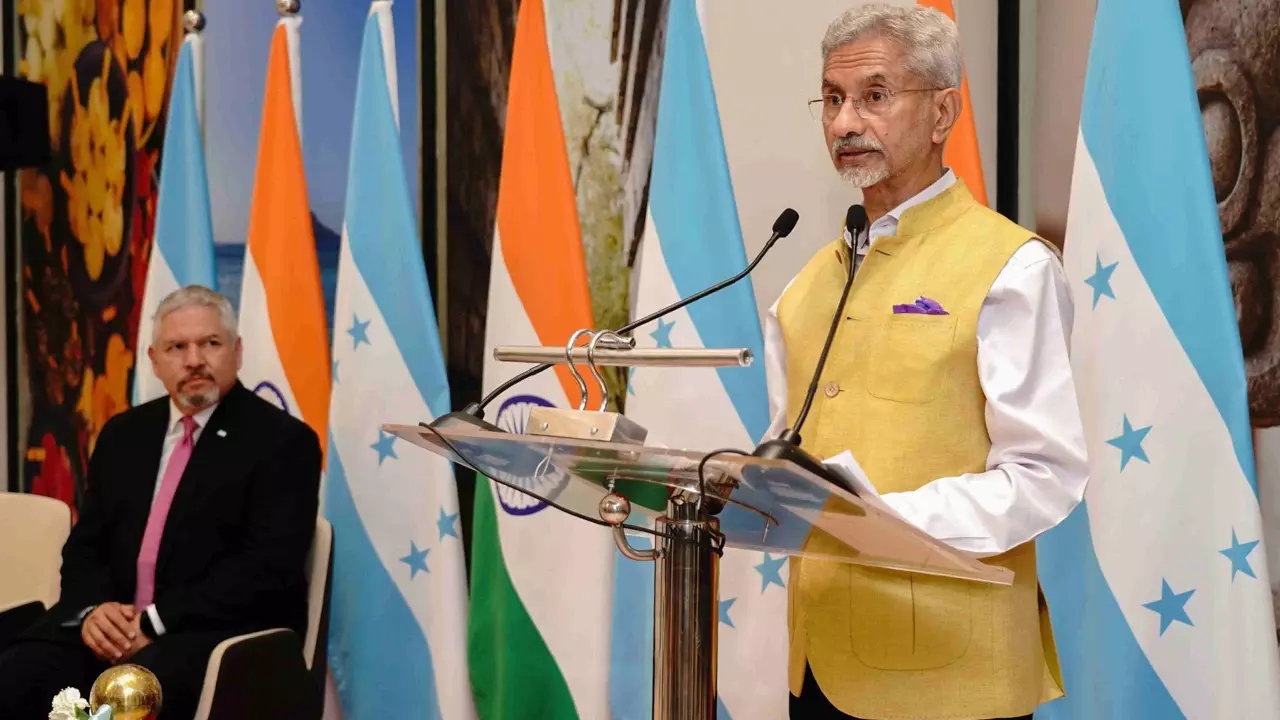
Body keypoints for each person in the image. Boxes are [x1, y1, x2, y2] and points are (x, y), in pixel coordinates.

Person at [766, 5, 1088, 719]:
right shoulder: (801, 288)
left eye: (876, 96)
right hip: (817, 674)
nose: (846, 122)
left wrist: (879, 517)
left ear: (943, 113)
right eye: (833, 98)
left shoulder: (1011, 267)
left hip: (951, 678)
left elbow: (1044, 476)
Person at [0, 286, 322, 718]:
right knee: (20, 671)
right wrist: (96, 612)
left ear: (237, 351)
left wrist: (153, 620)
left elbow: (264, 570)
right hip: (116, 628)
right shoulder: (123, 434)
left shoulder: (282, 441)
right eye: (177, 347)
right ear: (154, 360)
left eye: (210, 343)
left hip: (215, 635)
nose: (194, 360)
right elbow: (86, 547)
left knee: (128, 694)